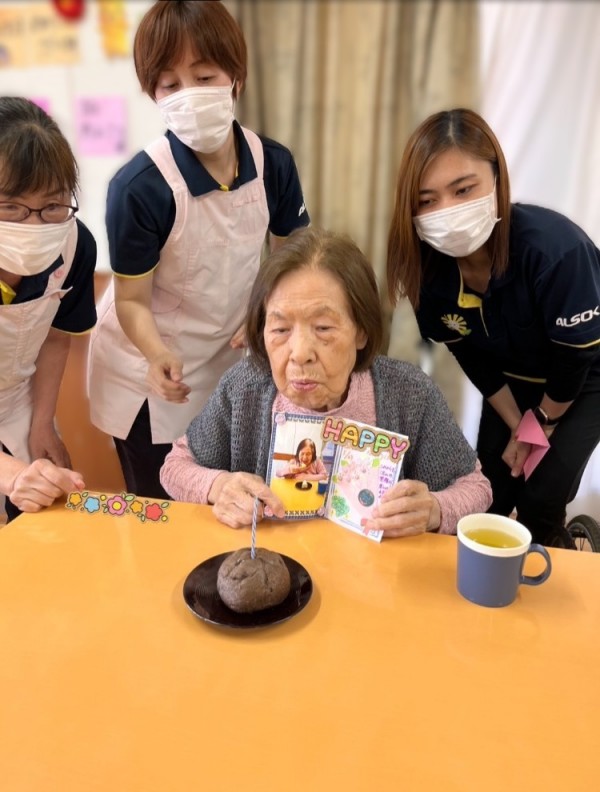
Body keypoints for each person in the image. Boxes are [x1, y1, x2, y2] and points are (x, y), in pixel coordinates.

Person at [87, 0, 310, 500]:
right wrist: (156, 354)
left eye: (204, 76)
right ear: (153, 94)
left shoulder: (272, 164)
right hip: (149, 373)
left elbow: (293, 260)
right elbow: (131, 301)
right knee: (164, 508)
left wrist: (264, 311)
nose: (189, 94)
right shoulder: (139, 188)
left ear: (236, 77)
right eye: (170, 85)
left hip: (228, 360)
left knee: (231, 499)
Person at [160, 226, 492, 535]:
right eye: (280, 329)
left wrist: (435, 509)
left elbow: (475, 487)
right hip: (274, 569)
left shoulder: (409, 393)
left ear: (361, 331)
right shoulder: (244, 388)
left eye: (323, 328)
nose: (300, 353)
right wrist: (218, 486)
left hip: (371, 571)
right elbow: (175, 466)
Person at [386, 108, 600, 548]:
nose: (448, 211)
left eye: (464, 189)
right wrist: (518, 425)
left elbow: (574, 358)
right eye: (428, 200)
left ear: (497, 180)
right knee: (489, 494)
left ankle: (559, 553)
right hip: (513, 383)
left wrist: (540, 426)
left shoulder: (557, 252)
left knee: (541, 500)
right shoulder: (430, 274)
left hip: (585, 379)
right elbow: (471, 356)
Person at [0, 96, 96, 521]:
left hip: (19, 403)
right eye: (11, 207)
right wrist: (11, 475)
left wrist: (42, 422)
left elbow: (55, 337)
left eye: (53, 206)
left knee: (40, 521)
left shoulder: (74, 246)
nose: (35, 226)